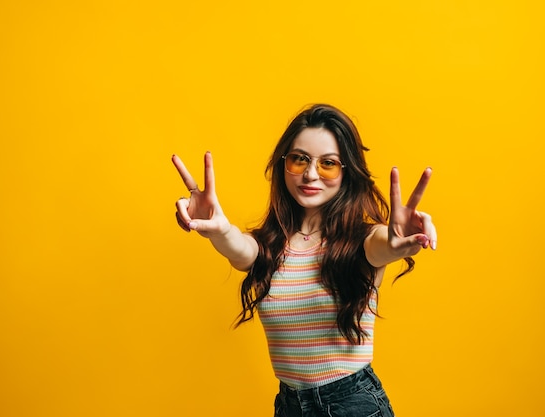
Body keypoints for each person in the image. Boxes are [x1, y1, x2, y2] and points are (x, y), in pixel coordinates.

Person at [171, 104, 437, 417]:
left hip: (352, 404)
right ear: (284, 164)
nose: (310, 174)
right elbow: (237, 246)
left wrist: (397, 244)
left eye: (328, 164)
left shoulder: (361, 240)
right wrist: (216, 228)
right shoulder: (268, 246)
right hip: (289, 405)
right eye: (299, 159)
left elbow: (382, 246)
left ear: (346, 172)